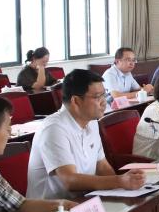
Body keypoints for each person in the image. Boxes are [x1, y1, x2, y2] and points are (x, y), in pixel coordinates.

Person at [27, 70, 146, 199]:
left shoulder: (91, 122)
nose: (104, 102)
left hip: (84, 200)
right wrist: (120, 181)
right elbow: (69, 180)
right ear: (76, 101)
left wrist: (122, 191)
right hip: (53, 208)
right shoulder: (53, 129)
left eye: (104, 95)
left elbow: (102, 167)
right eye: (97, 97)